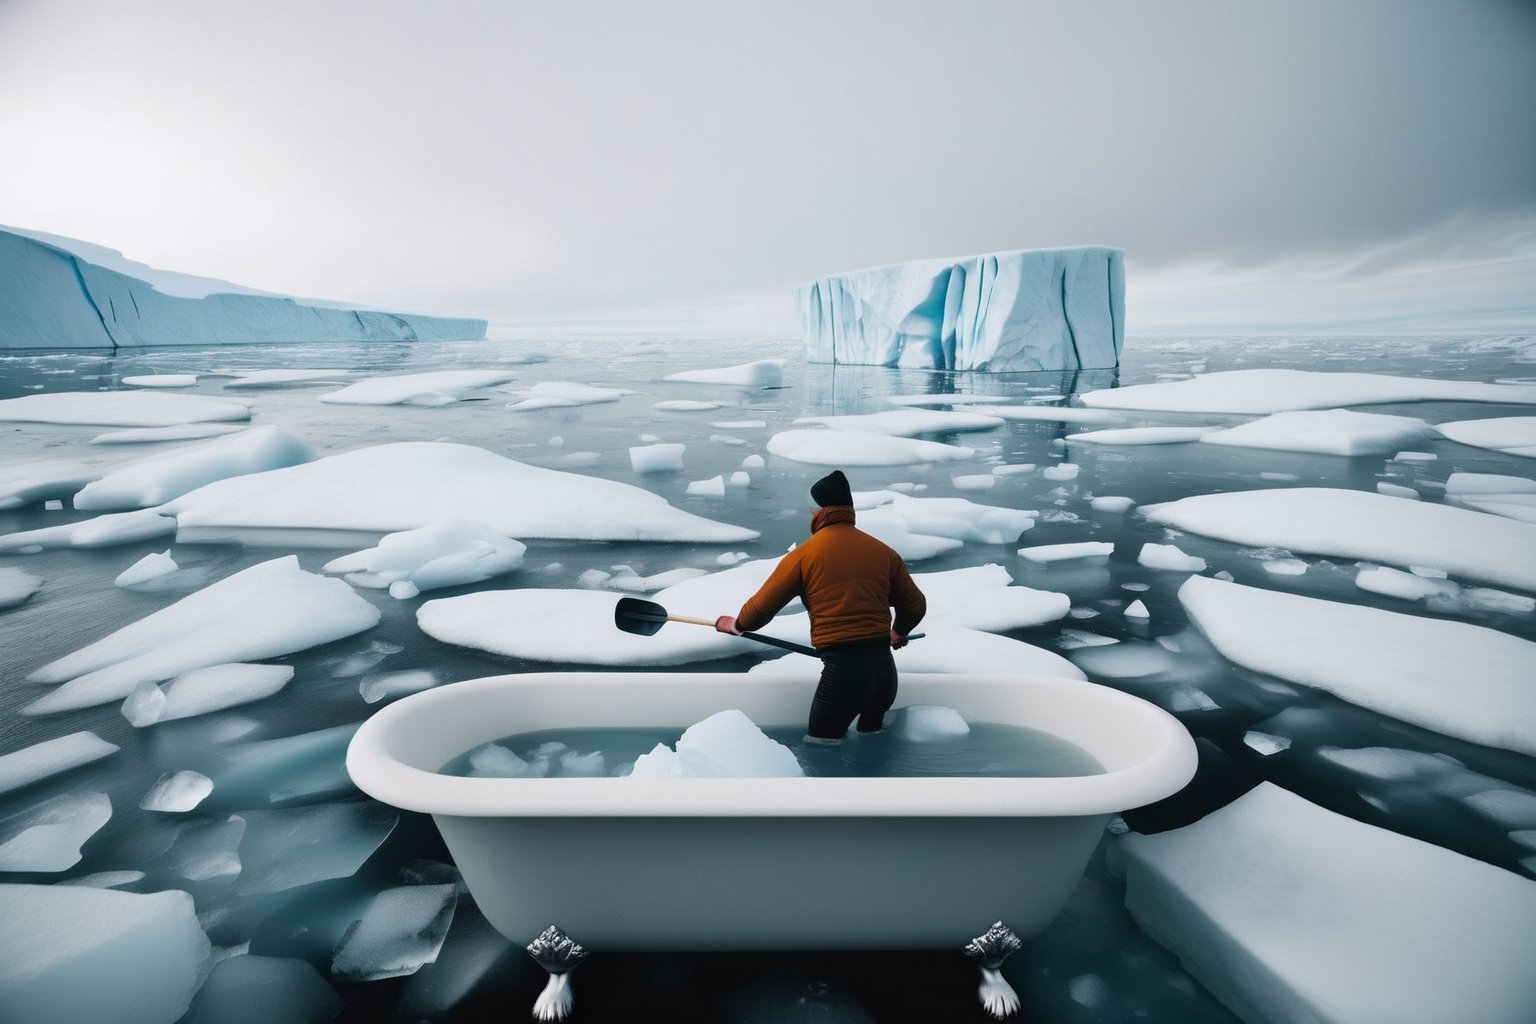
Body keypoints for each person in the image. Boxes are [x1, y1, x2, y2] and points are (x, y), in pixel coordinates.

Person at [716, 469, 926, 741]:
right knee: (872, 741)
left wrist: (738, 624)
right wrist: (898, 631)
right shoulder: (884, 552)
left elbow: (760, 609)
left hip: (844, 676)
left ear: (818, 512)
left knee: (821, 748)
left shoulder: (805, 555)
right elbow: (915, 606)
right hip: (884, 674)